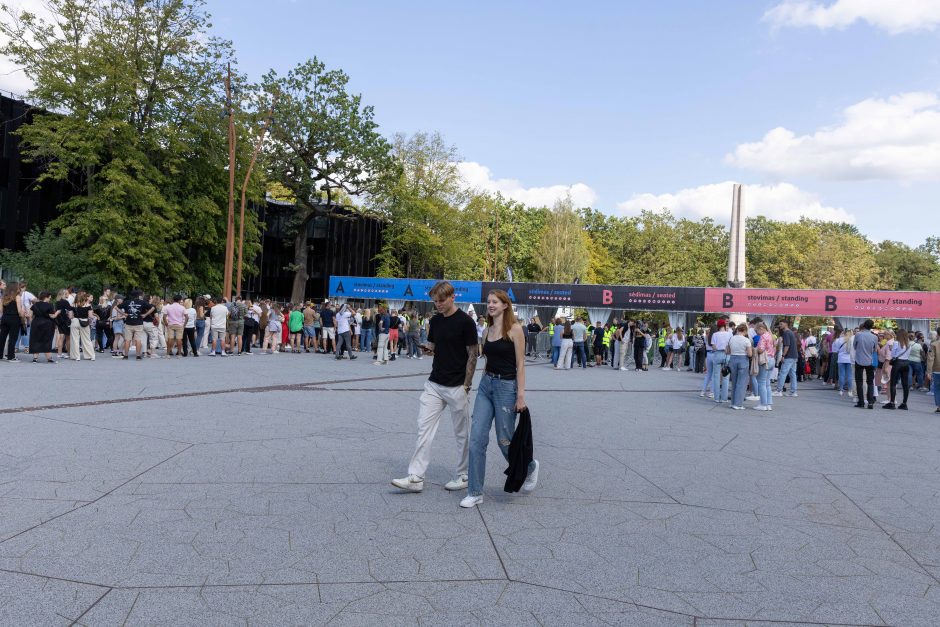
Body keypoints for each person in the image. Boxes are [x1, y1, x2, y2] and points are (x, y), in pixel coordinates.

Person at [392, 281, 478, 494]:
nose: (437, 305)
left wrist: (467, 385)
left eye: (441, 301)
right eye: (435, 301)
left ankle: (464, 474)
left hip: (457, 385)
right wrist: (427, 348)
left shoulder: (466, 322)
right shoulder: (436, 321)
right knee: (424, 428)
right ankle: (416, 477)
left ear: (452, 297)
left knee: (462, 433)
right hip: (434, 383)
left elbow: (472, 354)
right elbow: (434, 346)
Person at [462, 289, 538, 508]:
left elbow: (521, 365)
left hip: (507, 387)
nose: (491, 305)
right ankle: (475, 492)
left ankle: (530, 466)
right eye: (488, 302)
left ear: (505, 305)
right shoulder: (487, 330)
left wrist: (520, 396)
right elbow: (483, 357)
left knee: (504, 442)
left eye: (495, 302)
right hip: (487, 386)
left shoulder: (515, 330)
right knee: (476, 438)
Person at [852, 319, 878, 409]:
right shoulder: (874, 337)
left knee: (859, 381)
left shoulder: (858, 335)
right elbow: (875, 349)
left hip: (859, 359)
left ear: (864, 326)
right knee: (870, 382)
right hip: (869, 360)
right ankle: (870, 402)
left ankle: (861, 402)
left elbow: (854, 346)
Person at [883, 330, 912, 410]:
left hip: (898, 363)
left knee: (893, 383)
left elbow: (892, 355)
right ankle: (904, 403)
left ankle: (892, 402)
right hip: (906, 363)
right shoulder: (909, 344)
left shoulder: (896, 343)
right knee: (905, 384)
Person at [28, 291, 59, 363]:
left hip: (36, 323)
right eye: (49, 297)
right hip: (47, 324)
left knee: (36, 340)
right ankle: (49, 358)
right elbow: (52, 316)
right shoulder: (50, 305)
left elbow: (29, 315)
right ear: (46, 297)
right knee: (47, 340)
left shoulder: (35, 305)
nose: (50, 299)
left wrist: (32, 322)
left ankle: (35, 359)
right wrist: (57, 313)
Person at [0, 281, 26, 362]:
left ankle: (0, 355)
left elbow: (1, 310)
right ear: (15, 288)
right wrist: (23, 314)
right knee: (12, 338)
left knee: (2, 337)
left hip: (4, 318)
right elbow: (19, 311)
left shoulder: (3, 297)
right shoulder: (17, 297)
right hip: (14, 319)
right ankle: (11, 357)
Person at [774, 321, 800, 397]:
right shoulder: (791, 332)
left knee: (783, 373)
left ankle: (779, 390)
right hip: (794, 356)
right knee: (792, 374)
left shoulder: (786, 333)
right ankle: (793, 391)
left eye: (781, 324)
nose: (780, 325)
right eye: (780, 324)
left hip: (789, 356)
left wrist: (783, 355)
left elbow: (787, 345)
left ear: (786, 324)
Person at [753, 321, 775, 411]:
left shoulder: (763, 336)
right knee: (767, 383)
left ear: (761, 329)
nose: (757, 333)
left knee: (761, 382)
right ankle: (768, 404)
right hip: (771, 359)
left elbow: (761, 350)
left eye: (757, 331)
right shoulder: (771, 335)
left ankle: (763, 404)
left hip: (764, 360)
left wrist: (755, 349)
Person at [69, 291, 96, 361]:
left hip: (75, 321)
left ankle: (76, 356)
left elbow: (70, 316)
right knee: (87, 339)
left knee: (75, 340)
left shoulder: (72, 305)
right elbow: (90, 316)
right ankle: (90, 356)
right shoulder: (88, 305)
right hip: (84, 322)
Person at [928, 329, 940, 413]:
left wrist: (928, 371)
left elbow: (930, 358)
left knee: (938, 388)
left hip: (937, 369)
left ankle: (939, 407)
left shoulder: (934, 344)